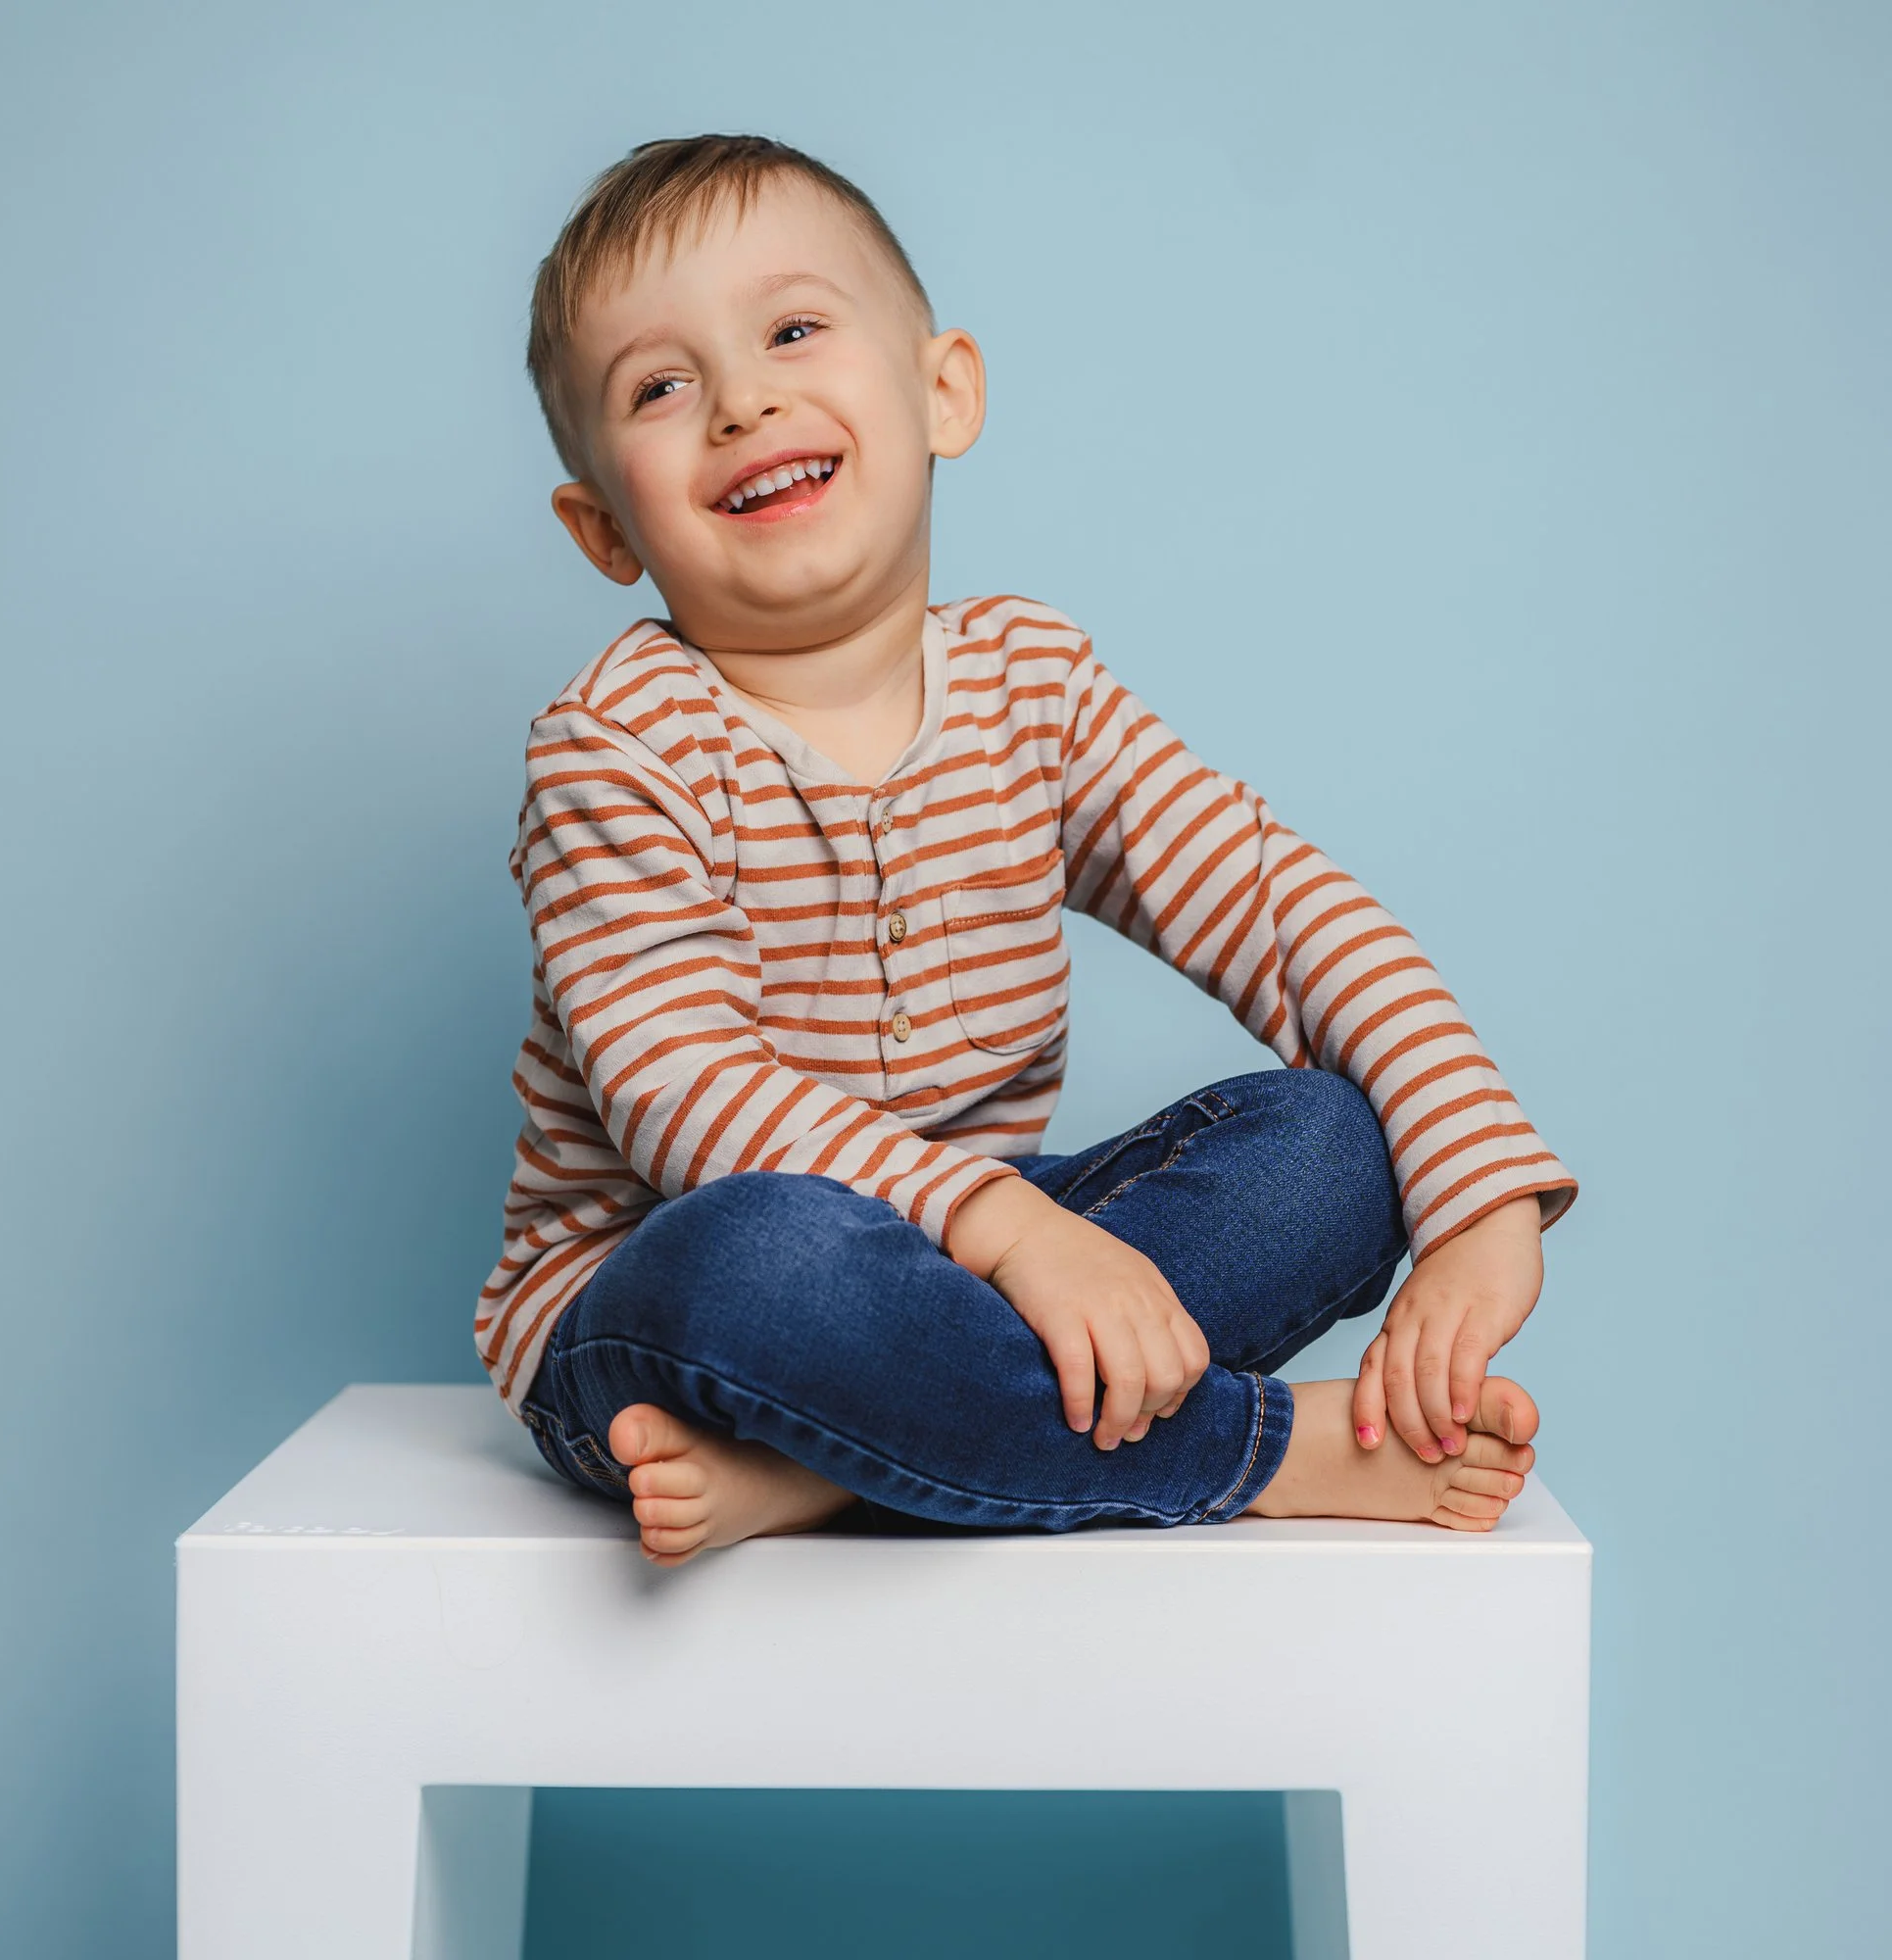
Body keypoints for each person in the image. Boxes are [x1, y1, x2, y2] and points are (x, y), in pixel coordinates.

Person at [482, 134, 1576, 1565]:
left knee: (1332, 1144)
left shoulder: (1033, 689)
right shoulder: (613, 749)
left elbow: (1278, 903)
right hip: (669, 1300)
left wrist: (1481, 1197)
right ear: (602, 527)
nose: (743, 400)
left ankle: (844, 1467)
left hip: (985, 1271)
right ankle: (1245, 1452)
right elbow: (685, 1096)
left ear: (946, 392)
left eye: (795, 330)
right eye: (662, 387)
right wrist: (1004, 1226)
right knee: (769, 1262)